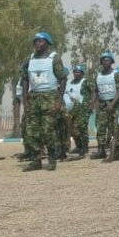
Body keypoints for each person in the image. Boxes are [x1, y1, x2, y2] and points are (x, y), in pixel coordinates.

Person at [20, 32, 67, 171]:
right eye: (36, 41)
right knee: (31, 131)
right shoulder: (30, 60)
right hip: (33, 98)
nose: (37, 44)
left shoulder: (54, 58)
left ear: (47, 43)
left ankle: (52, 159)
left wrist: (58, 101)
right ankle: (36, 160)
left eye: (40, 41)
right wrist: (25, 102)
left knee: (48, 131)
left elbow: (63, 79)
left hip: (49, 98)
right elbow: (25, 81)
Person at [90, 51, 119, 159]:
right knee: (101, 128)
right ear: (101, 62)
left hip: (114, 104)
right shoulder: (98, 75)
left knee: (115, 128)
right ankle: (101, 150)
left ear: (112, 62)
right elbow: (95, 90)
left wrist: (112, 104)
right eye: (103, 60)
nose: (105, 62)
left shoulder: (116, 74)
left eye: (108, 60)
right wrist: (92, 103)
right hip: (102, 104)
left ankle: (116, 151)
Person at [66, 64, 92, 157]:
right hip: (72, 109)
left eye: (78, 72)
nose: (75, 73)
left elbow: (94, 92)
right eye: (74, 72)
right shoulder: (69, 82)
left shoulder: (85, 82)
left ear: (82, 73)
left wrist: (91, 105)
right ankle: (78, 146)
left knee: (82, 128)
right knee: (73, 130)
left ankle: (84, 147)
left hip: (83, 109)